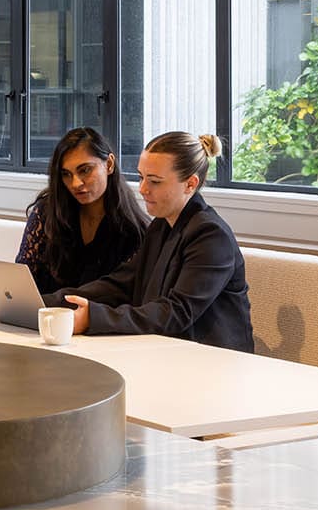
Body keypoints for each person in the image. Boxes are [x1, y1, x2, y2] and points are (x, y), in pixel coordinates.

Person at [54, 131, 252, 351]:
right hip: (168, 351)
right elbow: (123, 283)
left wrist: (94, 318)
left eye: (155, 181)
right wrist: (54, 301)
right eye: (141, 177)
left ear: (190, 184)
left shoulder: (211, 235)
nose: (142, 189)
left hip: (214, 362)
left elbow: (177, 312)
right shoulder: (161, 225)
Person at [0, 127, 146, 311]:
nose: (76, 183)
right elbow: (25, 280)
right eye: (66, 174)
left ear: (109, 164)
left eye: (85, 170)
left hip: (98, 333)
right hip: (38, 324)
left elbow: (118, 298)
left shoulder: (135, 231)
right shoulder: (47, 212)